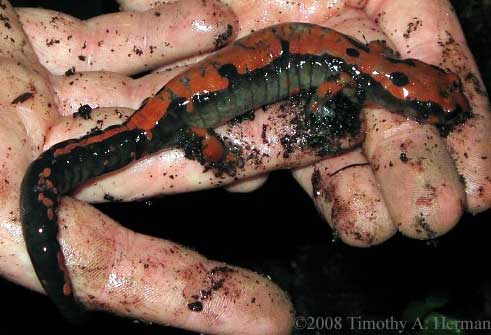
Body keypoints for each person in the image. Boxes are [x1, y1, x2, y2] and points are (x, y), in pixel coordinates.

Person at [0, 0, 488, 333]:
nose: (441, 110)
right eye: (436, 108)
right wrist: (223, 153)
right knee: (198, 144)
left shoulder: (363, 65)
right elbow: (325, 104)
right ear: (405, 99)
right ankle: (198, 152)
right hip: (180, 120)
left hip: (175, 104)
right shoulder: (357, 73)